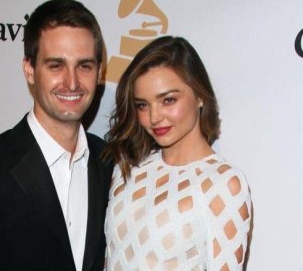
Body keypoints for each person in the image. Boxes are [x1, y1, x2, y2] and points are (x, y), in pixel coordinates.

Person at [0, 0, 112, 271]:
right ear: (30, 70)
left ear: (99, 72)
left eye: (84, 66)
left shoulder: (108, 161)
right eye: (56, 65)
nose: (72, 82)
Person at [103, 36, 252, 270]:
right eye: (142, 104)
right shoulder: (127, 169)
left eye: (168, 100)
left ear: (199, 96)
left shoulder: (224, 184)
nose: (154, 117)